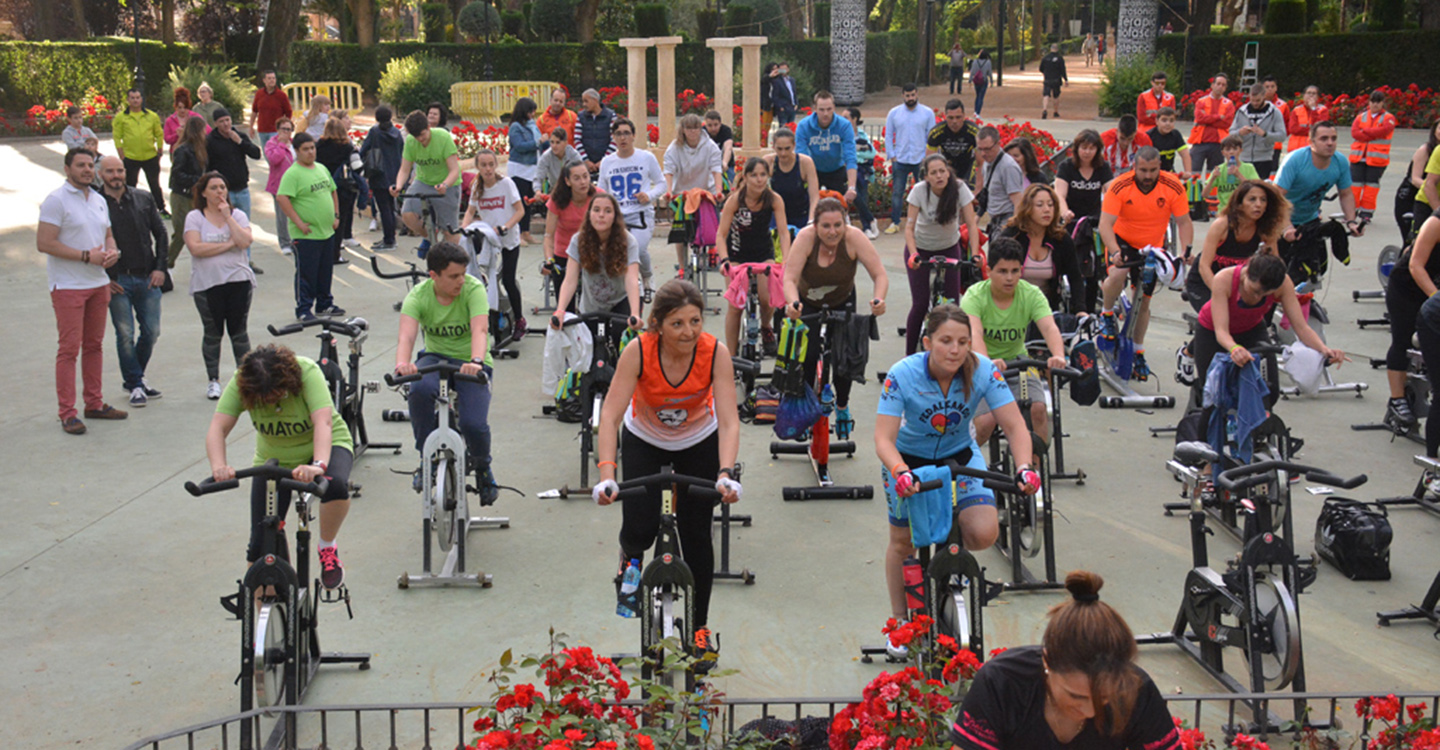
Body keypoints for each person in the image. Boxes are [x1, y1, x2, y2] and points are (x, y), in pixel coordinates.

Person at [875, 305, 1039, 659]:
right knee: (902, 543)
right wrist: (900, 471)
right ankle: (900, 620)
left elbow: (1013, 425)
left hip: (959, 459)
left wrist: (1025, 465)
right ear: (927, 341)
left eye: (963, 342)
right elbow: (883, 439)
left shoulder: (981, 371)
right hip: (909, 464)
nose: (955, 349)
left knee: (983, 533)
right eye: (946, 341)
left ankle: (945, 569)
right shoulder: (902, 375)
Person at [592, 279, 742, 665]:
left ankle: (701, 629)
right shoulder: (638, 351)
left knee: (697, 535)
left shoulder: (715, 353)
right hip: (645, 436)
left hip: (698, 439)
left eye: (695, 321)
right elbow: (609, 416)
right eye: (677, 323)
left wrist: (725, 472)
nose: (689, 332)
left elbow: (728, 420)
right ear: (656, 324)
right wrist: (607, 475)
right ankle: (629, 558)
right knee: (640, 528)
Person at [948, 571, 1183, 750]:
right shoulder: (1001, 682)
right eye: (1076, 696)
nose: (1090, 712)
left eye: (1103, 698)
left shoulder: (1135, 689)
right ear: (1047, 662)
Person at [206, 344, 355, 590]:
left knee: (335, 484)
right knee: (259, 546)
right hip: (274, 458)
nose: (270, 402)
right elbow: (217, 427)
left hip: (325, 447)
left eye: (276, 395)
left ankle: (327, 547)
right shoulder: (241, 381)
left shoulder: (307, 372)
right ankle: (260, 623)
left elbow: (323, 423)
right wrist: (219, 465)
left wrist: (318, 465)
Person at [393, 241, 499, 501]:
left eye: (463, 274)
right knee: (418, 390)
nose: (461, 281)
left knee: (473, 424)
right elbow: (406, 337)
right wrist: (401, 364)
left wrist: (475, 361)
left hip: (471, 362)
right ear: (433, 276)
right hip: (435, 357)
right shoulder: (418, 296)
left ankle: (483, 467)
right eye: (453, 276)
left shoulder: (473, 289)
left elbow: (480, 330)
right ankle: (425, 457)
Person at [782, 197, 890, 441]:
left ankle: (842, 406)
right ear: (816, 226)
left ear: (845, 223)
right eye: (826, 226)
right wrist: (792, 303)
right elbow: (789, 277)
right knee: (806, 360)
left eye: (837, 225)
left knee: (845, 359)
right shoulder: (806, 239)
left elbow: (879, 274)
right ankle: (806, 411)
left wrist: (878, 299)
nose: (833, 232)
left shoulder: (854, 238)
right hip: (807, 301)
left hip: (843, 300)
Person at [38, 148, 127, 434]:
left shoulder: (99, 199)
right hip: (68, 286)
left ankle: (94, 403)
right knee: (68, 349)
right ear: (67, 169)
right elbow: (45, 243)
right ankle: (67, 412)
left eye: (90, 165)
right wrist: (86, 256)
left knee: (94, 346)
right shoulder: (56, 200)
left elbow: (107, 234)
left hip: (97, 283)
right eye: (81, 165)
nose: (87, 170)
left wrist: (111, 250)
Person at [1191, 253, 1345, 408]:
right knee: (1214, 396)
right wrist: (1234, 348)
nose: (1258, 298)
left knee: (1269, 393)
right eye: (1255, 290)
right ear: (1247, 273)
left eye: (1265, 294)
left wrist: (1324, 350)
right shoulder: (1224, 279)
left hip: (1252, 329)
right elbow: (1221, 332)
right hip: (1211, 330)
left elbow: (1301, 327)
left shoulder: (1284, 283)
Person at [963, 238, 1070, 445]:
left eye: (1015, 271)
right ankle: (968, 468)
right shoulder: (974, 296)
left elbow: (1049, 327)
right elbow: (974, 333)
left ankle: (1035, 470)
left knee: (1038, 411)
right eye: (1002, 271)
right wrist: (987, 363)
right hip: (981, 365)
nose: (1010, 278)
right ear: (988, 270)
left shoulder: (1031, 294)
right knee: (986, 421)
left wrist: (1058, 355)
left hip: (1018, 362)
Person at [1098, 148, 1194, 380]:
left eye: (1153, 170)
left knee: (1143, 302)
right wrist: (1115, 251)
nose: (1148, 175)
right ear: (1134, 167)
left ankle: (1139, 350)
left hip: (1152, 246)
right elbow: (1105, 225)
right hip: (1123, 240)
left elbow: (1183, 221)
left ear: (1160, 166)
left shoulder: (1172, 185)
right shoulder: (1120, 186)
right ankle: (1107, 313)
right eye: (1143, 170)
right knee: (1118, 275)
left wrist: (1185, 251)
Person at [96, 155, 167, 408]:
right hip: (116, 281)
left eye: (119, 171)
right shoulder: (94, 202)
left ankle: (133, 377)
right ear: (101, 174)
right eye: (110, 171)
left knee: (152, 331)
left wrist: (160, 269)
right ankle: (136, 383)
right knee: (125, 333)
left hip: (147, 277)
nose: (116, 176)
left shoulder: (143, 198)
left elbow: (160, 234)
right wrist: (104, 278)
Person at [185, 170, 256, 400]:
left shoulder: (238, 216)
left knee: (239, 332)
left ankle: (245, 378)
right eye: (214, 188)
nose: (219, 192)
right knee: (213, 333)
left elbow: (244, 241)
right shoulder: (195, 217)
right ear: (204, 192)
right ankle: (213, 380)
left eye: (222, 187)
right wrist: (228, 245)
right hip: (207, 284)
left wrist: (228, 217)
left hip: (238, 280)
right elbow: (196, 249)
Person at [904, 154, 980, 355]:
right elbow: (909, 229)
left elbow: (972, 224)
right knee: (920, 304)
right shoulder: (919, 191)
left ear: (948, 172)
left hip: (949, 247)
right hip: (921, 249)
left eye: (942, 171)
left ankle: (953, 351)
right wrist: (913, 255)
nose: (939, 176)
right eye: (933, 173)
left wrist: (975, 254)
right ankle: (909, 356)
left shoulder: (960, 189)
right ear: (926, 177)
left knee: (952, 304)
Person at [716, 157, 791, 355]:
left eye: (763, 175)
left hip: (762, 253)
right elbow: (721, 235)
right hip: (736, 255)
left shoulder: (774, 199)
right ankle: (730, 356)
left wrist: (786, 261)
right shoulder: (735, 200)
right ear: (746, 177)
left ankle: (766, 327)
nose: (759, 180)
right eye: (754, 175)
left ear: (768, 176)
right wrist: (724, 261)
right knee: (735, 306)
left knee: (767, 299)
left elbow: (783, 233)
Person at [1184, 179, 1286, 312]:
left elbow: (1275, 264)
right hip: (1206, 282)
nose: (1258, 205)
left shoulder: (1266, 229)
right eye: (1252, 199)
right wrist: (1221, 293)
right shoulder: (1222, 225)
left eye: (1263, 200)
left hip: (1239, 285)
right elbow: (1204, 266)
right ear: (1239, 204)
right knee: (1220, 314)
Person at [1381, 205, 1440, 430]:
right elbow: (1415, 265)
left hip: (1435, 286)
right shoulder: (1436, 223)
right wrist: (1435, 298)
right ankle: (1397, 399)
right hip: (1408, 287)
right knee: (1403, 340)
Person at [550, 191, 643, 331]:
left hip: (621, 299)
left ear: (615, 217)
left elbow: (631, 279)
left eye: (608, 211)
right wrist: (560, 310)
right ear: (589, 214)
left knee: (621, 333)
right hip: (591, 304)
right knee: (588, 344)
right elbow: (570, 280)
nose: (601, 215)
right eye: (596, 210)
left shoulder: (628, 241)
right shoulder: (578, 240)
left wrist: (634, 313)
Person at [277, 132, 343, 323]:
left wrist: (336, 215)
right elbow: (282, 198)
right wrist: (298, 222)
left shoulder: (321, 168)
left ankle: (324, 303)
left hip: (326, 232)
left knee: (325, 270)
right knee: (307, 273)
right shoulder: (293, 173)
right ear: (297, 151)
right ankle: (304, 309)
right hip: (306, 235)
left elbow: (333, 191)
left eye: (312, 148)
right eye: (305, 149)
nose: (310, 152)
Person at [461, 148, 527, 334]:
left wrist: (505, 227)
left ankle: (520, 320)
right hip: (489, 240)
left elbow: (520, 211)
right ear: (477, 167)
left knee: (507, 279)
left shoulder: (506, 184)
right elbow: (470, 211)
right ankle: (487, 318)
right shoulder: (477, 187)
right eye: (483, 165)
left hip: (508, 239)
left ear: (496, 165)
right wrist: (464, 230)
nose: (488, 169)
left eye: (491, 164)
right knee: (480, 278)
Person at [998, 184, 1084, 316]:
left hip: (1047, 308)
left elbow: (1075, 276)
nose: (1047, 210)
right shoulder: (1011, 235)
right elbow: (995, 274)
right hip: (1011, 307)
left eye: (1051, 205)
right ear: (1027, 208)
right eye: (1040, 205)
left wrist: (1080, 310)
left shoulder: (1061, 239)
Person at [600, 116, 663, 293]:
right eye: (618, 134)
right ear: (613, 137)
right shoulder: (607, 162)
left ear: (634, 136)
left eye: (627, 133)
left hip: (641, 214)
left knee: (638, 248)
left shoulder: (646, 158)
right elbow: (601, 191)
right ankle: (625, 285)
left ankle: (647, 275)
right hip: (617, 216)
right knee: (616, 253)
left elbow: (662, 183)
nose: (623, 138)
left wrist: (648, 195)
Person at [1054, 130, 1114, 313]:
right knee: (1070, 261)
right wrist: (1065, 213)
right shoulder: (1066, 167)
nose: (1087, 152)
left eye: (1091, 148)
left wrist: (1111, 213)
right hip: (1072, 221)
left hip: (1094, 222)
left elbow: (1111, 193)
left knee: (1094, 268)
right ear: (1076, 148)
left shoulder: (1103, 168)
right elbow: (1059, 195)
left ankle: (1089, 307)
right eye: (1083, 148)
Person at [1275, 121, 1364, 243]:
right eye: (1324, 139)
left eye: (1333, 139)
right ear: (1311, 142)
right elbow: (1276, 197)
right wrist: (1287, 227)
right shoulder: (1294, 160)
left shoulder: (1340, 161)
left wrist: (1351, 222)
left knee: (1318, 260)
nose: (1330, 143)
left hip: (1310, 219)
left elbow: (1346, 194)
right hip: (1282, 219)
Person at [663, 113, 724, 276]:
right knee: (680, 230)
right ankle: (682, 266)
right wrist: (669, 191)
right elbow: (669, 170)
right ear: (682, 130)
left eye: (695, 128)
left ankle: (712, 248)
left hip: (705, 190)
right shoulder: (674, 148)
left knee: (710, 221)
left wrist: (718, 190)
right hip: (682, 192)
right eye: (688, 128)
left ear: (700, 128)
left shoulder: (710, 146)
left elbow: (716, 169)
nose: (692, 132)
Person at [393, 110, 462, 253]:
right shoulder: (412, 141)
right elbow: (405, 169)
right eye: (416, 137)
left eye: (423, 135)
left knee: (450, 232)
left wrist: (445, 185)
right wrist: (398, 186)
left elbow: (454, 170)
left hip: (447, 183)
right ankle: (430, 237)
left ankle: (447, 259)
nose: (420, 140)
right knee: (407, 214)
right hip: (423, 181)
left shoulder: (443, 137)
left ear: (429, 127)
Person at [205, 106, 262, 272]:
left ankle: (246, 261)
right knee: (225, 227)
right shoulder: (211, 141)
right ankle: (227, 261)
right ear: (215, 123)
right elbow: (206, 165)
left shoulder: (238, 136)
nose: (225, 124)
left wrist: (240, 142)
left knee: (244, 227)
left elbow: (256, 154)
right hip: (224, 192)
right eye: (221, 122)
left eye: (227, 120)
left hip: (242, 188)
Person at [885, 84, 937, 235]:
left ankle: (926, 222)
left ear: (917, 94)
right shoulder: (894, 113)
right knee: (897, 193)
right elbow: (888, 135)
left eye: (913, 95)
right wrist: (892, 156)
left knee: (925, 192)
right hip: (900, 159)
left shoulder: (927, 113)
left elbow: (931, 136)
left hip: (920, 159)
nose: (910, 98)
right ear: (903, 95)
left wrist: (927, 158)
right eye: (907, 96)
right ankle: (895, 222)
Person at [543, 160, 597, 303]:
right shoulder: (557, 200)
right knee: (565, 304)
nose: (583, 182)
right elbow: (549, 235)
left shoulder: (598, 197)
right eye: (577, 178)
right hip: (564, 253)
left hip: (592, 253)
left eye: (586, 176)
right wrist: (549, 260)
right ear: (567, 181)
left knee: (593, 304)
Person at [795, 91, 859, 203]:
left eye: (829, 109)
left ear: (834, 108)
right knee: (806, 202)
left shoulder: (844, 125)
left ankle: (868, 219)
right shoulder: (803, 126)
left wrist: (851, 187)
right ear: (815, 109)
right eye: (821, 110)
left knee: (848, 200)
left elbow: (850, 155)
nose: (825, 114)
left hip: (836, 169)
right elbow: (801, 156)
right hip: (814, 170)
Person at [114, 88, 167, 218]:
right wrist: (122, 155)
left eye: (138, 97)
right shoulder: (121, 117)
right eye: (132, 98)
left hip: (150, 156)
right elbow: (117, 137)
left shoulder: (151, 116)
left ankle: (161, 208)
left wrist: (160, 149)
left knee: (154, 184)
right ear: (128, 100)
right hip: (131, 157)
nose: (135, 100)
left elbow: (159, 133)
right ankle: (128, 209)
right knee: (130, 185)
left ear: (141, 99)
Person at [316, 118, 363, 263]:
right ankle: (335, 254)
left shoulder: (319, 146)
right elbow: (358, 167)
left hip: (322, 186)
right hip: (343, 188)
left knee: (323, 222)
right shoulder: (347, 147)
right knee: (339, 222)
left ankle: (322, 254)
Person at [360, 106, 404, 252]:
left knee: (384, 208)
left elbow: (363, 150)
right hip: (395, 174)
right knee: (390, 208)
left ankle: (389, 239)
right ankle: (390, 238)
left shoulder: (375, 132)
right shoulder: (397, 133)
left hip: (378, 173)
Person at [1349, 90, 1398, 220]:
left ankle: (1366, 213)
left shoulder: (1389, 118)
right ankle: (1351, 211)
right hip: (1358, 157)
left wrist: (1364, 131)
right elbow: (1354, 133)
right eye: (1372, 101)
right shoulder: (1361, 116)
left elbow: (1383, 131)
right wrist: (1372, 133)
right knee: (1355, 185)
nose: (1375, 104)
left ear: (1382, 103)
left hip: (1377, 159)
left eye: (1378, 102)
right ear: (1369, 102)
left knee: (1371, 187)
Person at [169, 116, 210, 270]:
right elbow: (176, 175)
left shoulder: (202, 148)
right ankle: (166, 262)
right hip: (181, 195)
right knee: (181, 233)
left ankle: (203, 263)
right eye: (203, 130)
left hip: (195, 195)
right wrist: (199, 180)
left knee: (199, 230)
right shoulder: (182, 149)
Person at [764, 128, 820, 231]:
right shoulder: (768, 162)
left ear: (794, 146)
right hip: (777, 213)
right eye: (779, 149)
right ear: (773, 146)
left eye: (787, 148)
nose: (783, 153)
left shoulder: (805, 163)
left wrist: (811, 220)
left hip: (801, 214)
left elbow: (814, 196)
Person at [1229, 83, 1286, 180]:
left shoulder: (1274, 112)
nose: (1255, 103)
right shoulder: (1241, 112)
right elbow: (1231, 132)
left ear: (1264, 96)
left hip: (1264, 158)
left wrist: (1265, 134)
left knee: (1260, 189)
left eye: (1258, 100)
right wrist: (1240, 132)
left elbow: (1282, 136)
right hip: (1244, 157)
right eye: (1252, 100)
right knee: (1244, 189)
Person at [1396, 119, 1439, 248]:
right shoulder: (1426, 150)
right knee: (1413, 242)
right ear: (1434, 131)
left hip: (1432, 196)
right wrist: (1431, 191)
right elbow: (1415, 179)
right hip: (1410, 197)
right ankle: (1402, 265)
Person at [507, 97, 543, 246]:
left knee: (528, 202)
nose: (533, 114)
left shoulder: (532, 126)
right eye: (531, 111)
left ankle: (526, 232)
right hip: (519, 169)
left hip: (531, 169)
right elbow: (520, 146)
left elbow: (539, 143)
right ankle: (517, 234)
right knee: (519, 202)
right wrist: (537, 142)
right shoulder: (515, 127)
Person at [975, 125, 1025, 229]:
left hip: (1006, 220)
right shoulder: (988, 162)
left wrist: (1012, 229)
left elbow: (1018, 202)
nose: (983, 154)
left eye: (987, 149)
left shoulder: (1008, 167)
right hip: (994, 221)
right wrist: (976, 218)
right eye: (980, 149)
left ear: (998, 144)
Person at [1188, 73, 1235, 175]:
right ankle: (1195, 191)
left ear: (1225, 88)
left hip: (1218, 144)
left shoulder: (1229, 104)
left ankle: (1212, 192)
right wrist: (1218, 117)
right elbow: (1200, 118)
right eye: (1218, 83)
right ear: (1212, 85)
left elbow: (1226, 123)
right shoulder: (1201, 101)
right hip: (1199, 142)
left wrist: (1207, 120)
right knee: (1194, 173)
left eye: (1223, 85)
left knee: (1215, 175)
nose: (1220, 86)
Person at [844, 107, 879, 239]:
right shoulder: (842, 135)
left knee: (862, 197)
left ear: (855, 119)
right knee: (853, 195)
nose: (843, 120)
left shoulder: (863, 135)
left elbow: (871, 153)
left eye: (846, 117)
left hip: (863, 170)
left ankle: (867, 228)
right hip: (848, 171)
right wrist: (857, 150)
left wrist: (854, 153)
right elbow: (843, 154)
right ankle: (870, 219)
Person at [928, 98, 980, 188]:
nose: (954, 122)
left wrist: (978, 188)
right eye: (950, 118)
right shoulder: (936, 132)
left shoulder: (974, 132)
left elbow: (981, 163)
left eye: (958, 117)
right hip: (947, 167)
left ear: (964, 116)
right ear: (945, 116)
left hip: (967, 167)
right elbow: (929, 161)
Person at [248, 70, 292, 149]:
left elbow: (288, 112)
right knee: (266, 154)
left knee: (275, 153)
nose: (272, 80)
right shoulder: (259, 94)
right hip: (262, 130)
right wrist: (251, 127)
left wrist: (285, 128)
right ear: (264, 80)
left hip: (276, 130)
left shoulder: (281, 95)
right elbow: (254, 111)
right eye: (269, 78)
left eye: (273, 78)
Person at [576, 89, 616, 175]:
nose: (584, 104)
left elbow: (615, 140)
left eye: (586, 101)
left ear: (595, 100)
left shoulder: (611, 116)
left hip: (608, 165)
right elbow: (577, 139)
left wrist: (604, 160)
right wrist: (586, 160)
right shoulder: (580, 116)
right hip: (586, 166)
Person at [1146, 107, 1191, 176]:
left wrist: (1188, 172)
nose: (1168, 123)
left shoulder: (1176, 135)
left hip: (1170, 172)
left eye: (1171, 121)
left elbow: (1185, 154)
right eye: (1164, 120)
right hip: (1153, 174)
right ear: (1157, 121)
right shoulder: (1149, 136)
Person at [1285, 85, 1329, 155]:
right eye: (1308, 93)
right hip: (1296, 149)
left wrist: (1313, 109)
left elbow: (1320, 128)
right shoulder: (1296, 110)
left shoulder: (1323, 110)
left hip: (1314, 149)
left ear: (1318, 97)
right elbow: (1293, 129)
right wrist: (1311, 130)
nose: (1311, 95)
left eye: (1314, 93)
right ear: (1304, 96)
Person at [538, 126, 583, 194]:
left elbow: (581, 174)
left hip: (573, 190)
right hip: (554, 190)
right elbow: (539, 176)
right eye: (552, 142)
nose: (554, 146)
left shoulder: (574, 155)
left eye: (558, 142)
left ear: (565, 143)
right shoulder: (546, 156)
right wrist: (537, 191)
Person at [1262, 75, 1290, 166]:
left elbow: (1287, 124)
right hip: (1258, 144)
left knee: (1272, 172)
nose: (1270, 89)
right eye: (1267, 87)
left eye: (1272, 86)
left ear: (1276, 88)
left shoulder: (1283, 105)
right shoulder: (1256, 103)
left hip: (1275, 145)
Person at [704, 110, 736, 185]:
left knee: (728, 186)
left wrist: (724, 163)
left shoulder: (726, 130)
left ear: (720, 123)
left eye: (716, 125)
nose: (713, 128)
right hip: (708, 166)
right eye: (710, 125)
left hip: (726, 165)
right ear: (705, 125)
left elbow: (728, 148)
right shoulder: (702, 132)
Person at [1039, 44, 1068, 120]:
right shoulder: (1060, 58)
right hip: (1056, 79)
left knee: (1046, 95)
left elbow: (1041, 68)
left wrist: (1046, 73)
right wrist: (1066, 79)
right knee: (1056, 96)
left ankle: (1045, 109)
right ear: (1057, 49)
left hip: (1047, 79)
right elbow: (1063, 70)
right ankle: (1055, 112)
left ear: (1050, 49)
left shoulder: (1045, 58)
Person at [769, 62, 799, 126]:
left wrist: (796, 103)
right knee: (783, 127)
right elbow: (775, 96)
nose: (783, 71)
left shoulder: (792, 80)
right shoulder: (777, 81)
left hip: (792, 107)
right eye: (781, 69)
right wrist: (780, 107)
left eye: (785, 69)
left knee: (791, 127)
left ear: (788, 70)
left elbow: (794, 93)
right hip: (783, 109)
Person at [970, 50, 993, 117]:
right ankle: (978, 112)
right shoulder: (988, 62)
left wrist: (970, 79)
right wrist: (991, 81)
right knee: (981, 97)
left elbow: (972, 71)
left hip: (976, 80)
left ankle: (975, 111)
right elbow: (989, 72)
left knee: (977, 96)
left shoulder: (975, 61)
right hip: (983, 80)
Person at [759, 63, 778, 145]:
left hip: (772, 106)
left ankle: (765, 144)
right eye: (773, 69)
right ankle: (762, 144)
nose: (775, 71)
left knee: (768, 127)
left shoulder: (776, 81)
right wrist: (770, 76)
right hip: (765, 106)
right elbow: (763, 80)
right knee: (763, 127)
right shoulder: (766, 79)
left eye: (777, 69)